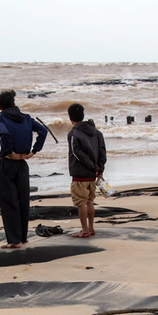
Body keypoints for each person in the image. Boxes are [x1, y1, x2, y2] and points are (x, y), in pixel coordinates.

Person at [0, 89, 48, 248]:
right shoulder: (26, 118)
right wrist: (33, 152)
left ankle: (15, 240)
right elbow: (43, 131)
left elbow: (4, 134)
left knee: (9, 201)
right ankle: (23, 238)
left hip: (8, 163)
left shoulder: (0, 119)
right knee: (23, 200)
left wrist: (9, 151)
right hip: (23, 163)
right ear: (14, 104)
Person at [66, 102, 106, 238]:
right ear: (82, 115)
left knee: (80, 202)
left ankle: (84, 230)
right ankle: (91, 227)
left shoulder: (73, 133)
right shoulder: (97, 133)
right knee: (89, 200)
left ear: (70, 117)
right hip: (93, 174)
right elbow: (102, 153)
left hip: (80, 174)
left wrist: (93, 167)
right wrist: (99, 170)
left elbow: (77, 154)